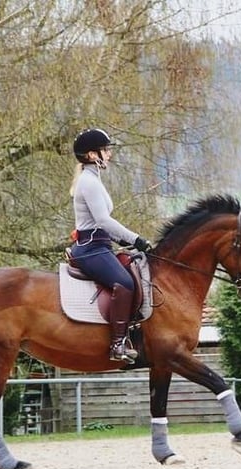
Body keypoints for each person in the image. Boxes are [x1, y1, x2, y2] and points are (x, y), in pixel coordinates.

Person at [68, 128, 153, 364]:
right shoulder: (89, 182)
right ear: (93, 155)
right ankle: (117, 344)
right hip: (91, 249)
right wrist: (136, 239)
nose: (110, 155)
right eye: (106, 150)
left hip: (100, 245)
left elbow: (101, 223)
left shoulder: (93, 179)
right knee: (124, 283)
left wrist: (123, 241)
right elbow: (103, 220)